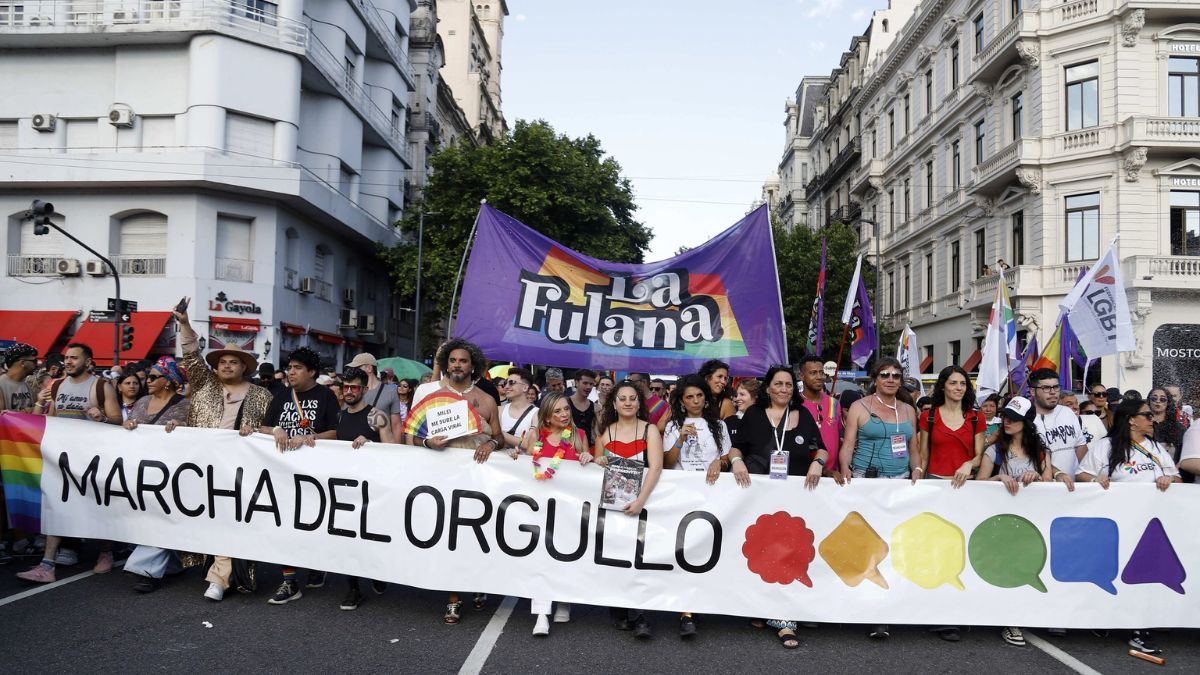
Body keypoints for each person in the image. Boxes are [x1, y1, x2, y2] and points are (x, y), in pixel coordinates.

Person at [169, 303, 270, 601]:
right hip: (200, 465)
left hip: (241, 468)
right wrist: (185, 323)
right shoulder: (203, 384)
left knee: (230, 517)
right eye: (223, 361)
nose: (227, 365)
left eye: (233, 362)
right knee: (204, 515)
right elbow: (190, 353)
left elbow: (270, 429)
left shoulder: (262, 395)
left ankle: (219, 577)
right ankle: (205, 565)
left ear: (244, 368)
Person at [404, 338, 505, 624]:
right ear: (446, 364)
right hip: (442, 478)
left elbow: (498, 436)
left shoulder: (486, 400)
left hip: (477, 478)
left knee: (474, 536)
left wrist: (491, 446)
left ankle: (474, 584)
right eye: (452, 361)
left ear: (473, 365)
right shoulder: (428, 395)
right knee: (449, 537)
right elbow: (409, 435)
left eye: (463, 361)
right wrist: (427, 443)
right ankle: (452, 598)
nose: (457, 365)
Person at [728, 365, 827, 649]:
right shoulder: (755, 415)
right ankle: (763, 608)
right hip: (760, 497)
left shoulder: (803, 415)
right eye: (778, 384)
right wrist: (736, 463)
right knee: (763, 552)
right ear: (768, 388)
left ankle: (785, 618)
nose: (784, 389)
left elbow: (820, 447)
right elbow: (738, 448)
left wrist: (817, 463)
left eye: (787, 384)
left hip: (795, 498)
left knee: (789, 552)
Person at [1077, 398, 1180, 658]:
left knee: (1143, 576)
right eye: (1146, 414)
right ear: (1132, 419)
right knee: (1113, 574)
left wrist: (1169, 478)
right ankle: (1105, 619)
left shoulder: (1155, 447)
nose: (1152, 419)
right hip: (1116, 525)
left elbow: (1177, 477)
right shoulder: (1106, 447)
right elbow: (1082, 474)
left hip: (1150, 527)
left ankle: (1140, 631)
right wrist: (1096, 479)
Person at [18, 343, 122, 583]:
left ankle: (106, 552)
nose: (68, 361)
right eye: (67, 358)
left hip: (93, 458)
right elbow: (52, 419)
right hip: (62, 459)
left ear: (88, 362)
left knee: (97, 505)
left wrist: (103, 417)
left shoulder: (100, 385)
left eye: (75, 358)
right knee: (57, 504)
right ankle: (47, 564)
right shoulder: (57, 386)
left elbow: (117, 420)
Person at [839, 357, 920, 640]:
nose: (890, 379)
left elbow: (914, 447)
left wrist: (918, 469)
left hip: (899, 482)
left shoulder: (909, 410)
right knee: (868, 545)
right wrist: (845, 468)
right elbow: (848, 444)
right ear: (875, 378)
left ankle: (886, 608)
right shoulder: (860, 408)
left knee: (893, 544)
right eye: (885, 374)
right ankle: (868, 608)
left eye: (896, 375)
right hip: (867, 480)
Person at [976, 396, 1062, 648]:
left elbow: (1047, 481)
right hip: (1002, 523)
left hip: (1033, 520)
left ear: (1027, 422)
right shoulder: (995, 449)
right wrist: (999, 478)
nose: (1007, 421)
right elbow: (979, 482)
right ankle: (1010, 620)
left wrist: (1037, 474)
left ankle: (1036, 613)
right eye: (1005, 417)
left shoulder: (1040, 450)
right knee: (1009, 568)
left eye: (1014, 418)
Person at [258, 347, 340, 605]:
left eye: (297, 368)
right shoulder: (281, 395)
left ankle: (317, 563)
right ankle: (290, 581)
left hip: (315, 474)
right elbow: (263, 426)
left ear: (312, 372)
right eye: (289, 368)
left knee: (313, 523)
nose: (291, 372)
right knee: (284, 524)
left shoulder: (326, 396)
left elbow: (336, 432)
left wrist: (310, 437)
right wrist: (277, 430)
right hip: (283, 471)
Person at [659, 374, 729, 638]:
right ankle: (685, 612)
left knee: (708, 551)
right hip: (682, 496)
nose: (695, 401)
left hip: (712, 495)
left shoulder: (718, 426)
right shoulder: (673, 426)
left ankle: (705, 601)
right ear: (682, 401)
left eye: (699, 395)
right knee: (685, 551)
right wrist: (679, 440)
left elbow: (726, 457)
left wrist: (718, 463)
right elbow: (666, 463)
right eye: (689, 397)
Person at [593, 380, 664, 639]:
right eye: (622, 398)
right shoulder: (607, 432)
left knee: (641, 561)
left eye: (632, 398)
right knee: (616, 558)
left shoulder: (650, 430)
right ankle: (620, 611)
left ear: (639, 402)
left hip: (643, 505)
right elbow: (598, 467)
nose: (627, 402)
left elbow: (656, 467)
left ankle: (641, 616)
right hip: (614, 508)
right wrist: (598, 460)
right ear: (614, 403)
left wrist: (641, 500)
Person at [521, 392, 593, 635]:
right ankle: (541, 613)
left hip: (569, 510)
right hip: (540, 509)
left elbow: (590, 466)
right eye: (558, 411)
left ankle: (564, 600)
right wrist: (514, 456)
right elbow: (520, 463)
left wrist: (587, 456)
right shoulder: (534, 437)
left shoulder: (578, 436)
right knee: (541, 558)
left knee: (565, 556)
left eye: (566, 409)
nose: (564, 415)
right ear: (546, 416)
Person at [122, 356, 191, 593]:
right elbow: (130, 424)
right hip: (138, 469)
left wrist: (181, 427)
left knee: (159, 517)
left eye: (153, 377)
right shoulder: (141, 401)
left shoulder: (184, 405)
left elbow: (192, 433)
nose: (147, 381)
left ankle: (146, 569)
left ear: (169, 381)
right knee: (144, 516)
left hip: (167, 472)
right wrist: (128, 425)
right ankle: (173, 563)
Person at [336, 367, 393, 610]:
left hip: (372, 488)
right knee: (348, 539)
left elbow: (393, 449)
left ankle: (378, 572)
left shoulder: (376, 416)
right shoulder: (339, 416)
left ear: (364, 389)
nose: (349, 392)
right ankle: (353, 587)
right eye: (345, 387)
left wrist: (371, 444)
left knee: (371, 537)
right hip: (344, 487)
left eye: (354, 387)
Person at [917, 365, 984, 488]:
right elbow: (923, 456)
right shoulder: (927, 416)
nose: (959, 388)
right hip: (935, 483)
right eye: (953, 383)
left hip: (966, 484)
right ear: (943, 386)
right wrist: (919, 486)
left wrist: (969, 464)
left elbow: (979, 456)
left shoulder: (976, 417)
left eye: (963, 384)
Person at [1028, 369, 1084, 491]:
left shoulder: (1068, 412)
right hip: (1043, 488)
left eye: (1056, 387)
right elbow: (1032, 457)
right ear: (1033, 391)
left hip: (1074, 487)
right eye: (1046, 388)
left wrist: (1088, 474)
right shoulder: (1026, 420)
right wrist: (1057, 473)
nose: (1053, 392)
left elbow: (1080, 447)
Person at [797, 356, 842, 476]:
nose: (819, 377)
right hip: (803, 475)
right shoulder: (795, 404)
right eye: (813, 373)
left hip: (832, 477)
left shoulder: (834, 403)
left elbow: (838, 437)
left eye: (821, 373)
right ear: (802, 376)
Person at [345, 353, 406, 440]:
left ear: (369, 368)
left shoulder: (390, 392)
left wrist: (395, 450)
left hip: (379, 448)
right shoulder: (351, 391)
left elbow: (396, 425)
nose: (353, 371)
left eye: (357, 368)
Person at [498, 367, 537, 453]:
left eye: (511, 383)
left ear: (525, 388)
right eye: (505, 383)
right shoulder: (499, 410)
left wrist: (499, 434)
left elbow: (530, 444)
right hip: (498, 463)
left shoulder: (537, 413)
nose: (506, 387)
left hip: (523, 464)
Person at [1148, 386, 1186, 467]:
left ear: (1168, 402)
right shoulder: (1142, 424)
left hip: (1170, 474)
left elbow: (1183, 456)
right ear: (1149, 401)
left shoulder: (1178, 428)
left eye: (1162, 399)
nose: (1158, 401)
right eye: (1154, 398)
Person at [0, 343, 37, 413]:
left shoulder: (26, 384)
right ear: (22, 363)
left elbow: (34, 410)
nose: (36, 364)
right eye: (34, 361)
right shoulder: (1, 384)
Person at [724, 378, 760, 447]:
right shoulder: (729, 422)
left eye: (742, 394)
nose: (737, 399)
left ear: (755, 397)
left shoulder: (765, 420)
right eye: (737, 395)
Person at [568, 369, 597, 446]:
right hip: (568, 447)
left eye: (591, 384)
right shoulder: (565, 403)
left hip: (589, 451)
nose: (588, 387)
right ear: (576, 383)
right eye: (585, 383)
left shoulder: (594, 406)